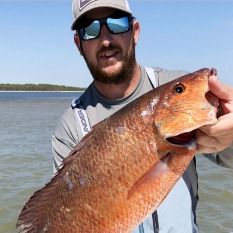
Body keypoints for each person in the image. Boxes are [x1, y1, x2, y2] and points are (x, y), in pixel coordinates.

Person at [52, 0, 233, 232]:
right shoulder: (71, 125)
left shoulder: (174, 87)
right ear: (79, 44)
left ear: (135, 31)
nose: (105, 40)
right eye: (90, 29)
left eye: (117, 24)